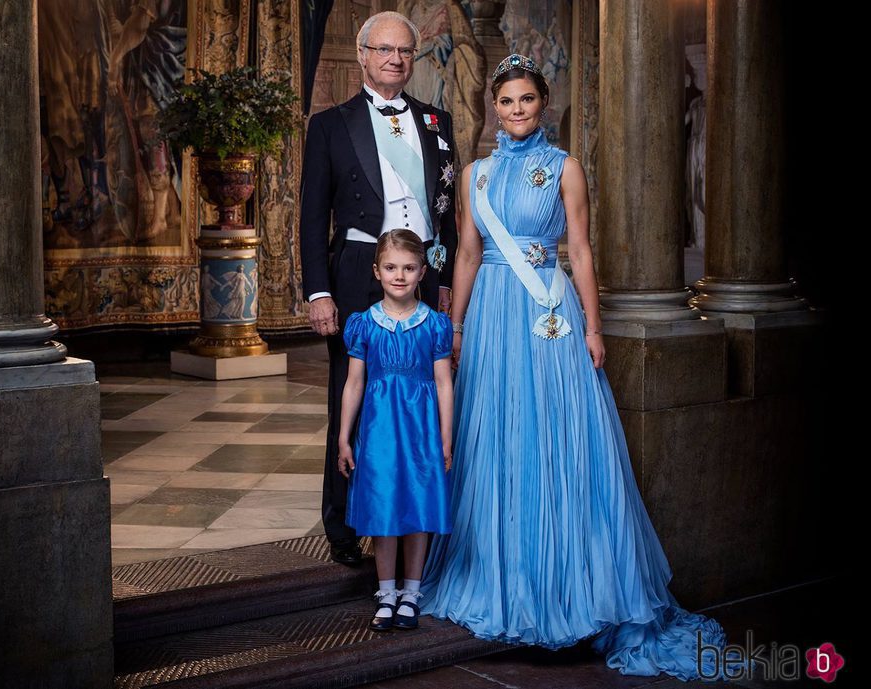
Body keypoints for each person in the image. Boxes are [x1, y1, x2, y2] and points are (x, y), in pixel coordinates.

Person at [420, 54, 733, 681]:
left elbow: (582, 252)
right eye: (506, 102)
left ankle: (567, 587)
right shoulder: (476, 175)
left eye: (527, 101)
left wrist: (592, 327)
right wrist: (454, 327)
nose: (516, 111)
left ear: (543, 104)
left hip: (547, 317)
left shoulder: (565, 168)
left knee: (556, 443)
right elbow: (467, 258)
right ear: (493, 108)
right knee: (499, 445)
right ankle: (503, 581)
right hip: (491, 320)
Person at [299, 11, 458, 566]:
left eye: (405, 51)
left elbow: (446, 214)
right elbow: (312, 214)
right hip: (357, 275)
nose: (396, 59)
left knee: (417, 396)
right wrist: (318, 290)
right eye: (385, 49)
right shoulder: (329, 124)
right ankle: (344, 525)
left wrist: (442, 281)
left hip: (423, 272)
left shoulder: (437, 121)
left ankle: (412, 515)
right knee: (353, 392)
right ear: (363, 54)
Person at [338, 230, 454, 631]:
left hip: (421, 431)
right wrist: (343, 437)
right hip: (379, 431)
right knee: (383, 507)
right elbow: (353, 383)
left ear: (423, 272)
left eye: (408, 268)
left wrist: (446, 435)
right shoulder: (363, 325)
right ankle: (386, 593)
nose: (399, 276)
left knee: (418, 509)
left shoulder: (435, 325)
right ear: (376, 271)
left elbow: (443, 383)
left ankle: (412, 592)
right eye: (390, 267)